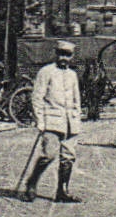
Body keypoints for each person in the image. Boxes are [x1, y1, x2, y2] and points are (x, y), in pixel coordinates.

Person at [23, 41, 84, 203]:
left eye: (67, 55)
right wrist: (40, 121)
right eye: (61, 54)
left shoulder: (72, 74)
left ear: (71, 57)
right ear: (56, 54)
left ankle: (62, 191)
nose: (64, 58)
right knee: (49, 155)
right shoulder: (46, 72)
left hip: (70, 122)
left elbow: (76, 98)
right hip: (52, 122)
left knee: (69, 157)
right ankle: (32, 183)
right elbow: (37, 97)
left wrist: (77, 115)